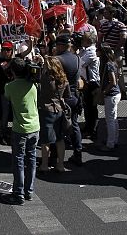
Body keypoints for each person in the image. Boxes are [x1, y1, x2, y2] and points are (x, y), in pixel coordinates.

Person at [0, 58, 40, 206]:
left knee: (18, 160)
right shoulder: (33, 84)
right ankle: (29, 191)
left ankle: (18, 193)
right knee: (31, 159)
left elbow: (7, 97)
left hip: (20, 129)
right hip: (35, 126)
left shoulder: (9, 86)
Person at [53, 33, 83, 166]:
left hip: (60, 98)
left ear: (61, 46)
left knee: (57, 128)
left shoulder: (57, 60)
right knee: (74, 126)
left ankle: (55, 157)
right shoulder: (77, 58)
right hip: (74, 96)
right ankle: (78, 153)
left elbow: (53, 80)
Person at [37, 56, 69, 172]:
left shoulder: (46, 79)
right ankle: (60, 165)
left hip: (47, 109)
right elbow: (67, 95)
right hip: (59, 109)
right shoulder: (64, 79)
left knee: (45, 140)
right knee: (60, 139)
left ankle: (44, 165)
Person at [98, 45, 121, 151]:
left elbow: (113, 81)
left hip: (111, 95)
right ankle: (114, 140)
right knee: (114, 119)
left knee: (110, 120)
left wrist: (104, 92)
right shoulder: (113, 63)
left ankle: (110, 144)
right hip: (115, 94)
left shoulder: (108, 65)